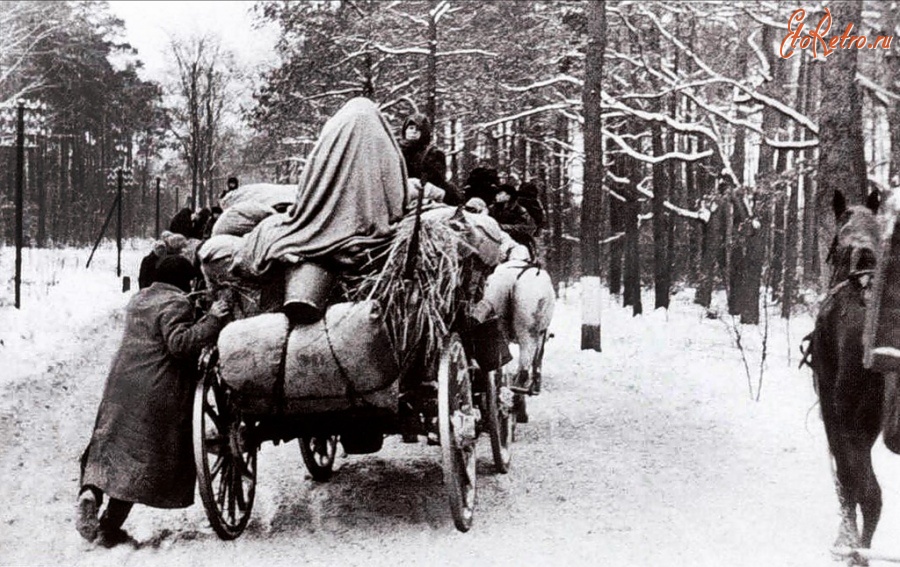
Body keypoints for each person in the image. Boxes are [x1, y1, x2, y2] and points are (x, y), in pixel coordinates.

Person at [76, 256, 231, 546]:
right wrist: (212, 318)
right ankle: (109, 526)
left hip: (120, 387)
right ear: (184, 281)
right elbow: (180, 344)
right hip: (154, 391)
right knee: (139, 462)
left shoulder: (140, 299)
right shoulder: (176, 303)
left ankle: (91, 492)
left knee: (108, 448)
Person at [399, 113, 463, 206]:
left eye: (418, 129)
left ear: (424, 132)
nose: (414, 132)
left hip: (426, 195)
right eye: (411, 128)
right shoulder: (396, 152)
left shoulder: (433, 153)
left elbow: (436, 180)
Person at [488, 183, 537, 255]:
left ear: (508, 196)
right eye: (496, 193)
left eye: (500, 193)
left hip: (518, 244)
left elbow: (528, 227)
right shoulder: (492, 209)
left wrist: (504, 227)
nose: (497, 195)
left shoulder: (519, 210)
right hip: (497, 243)